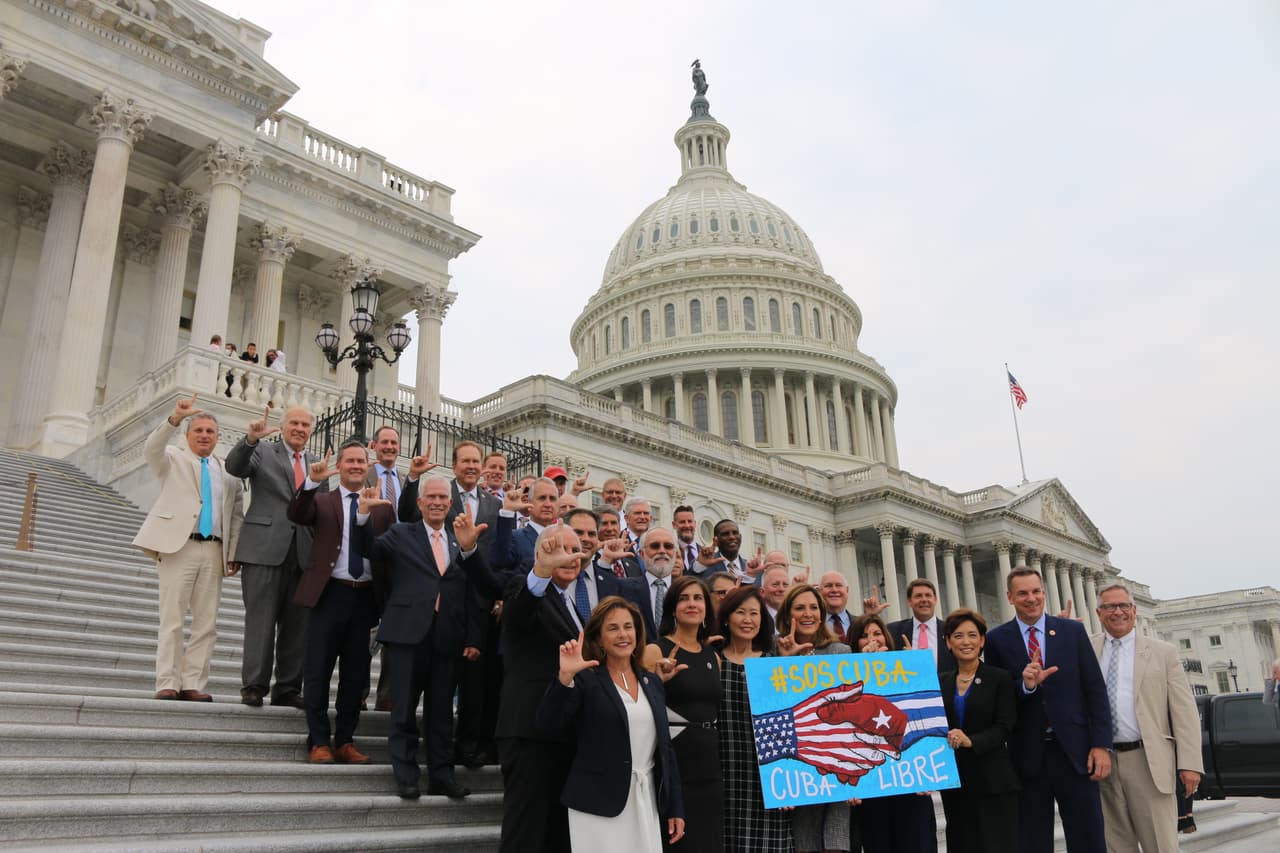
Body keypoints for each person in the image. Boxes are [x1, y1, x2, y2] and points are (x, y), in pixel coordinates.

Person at [354, 476, 497, 800]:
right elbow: (370, 549)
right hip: (408, 634)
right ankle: (406, 775)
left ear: (450, 504)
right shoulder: (402, 533)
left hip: (447, 636)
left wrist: (470, 549)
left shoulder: (458, 538)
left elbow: (476, 589)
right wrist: (362, 515)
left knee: (442, 713)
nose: (436, 502)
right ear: (420, 503)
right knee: (403, 708)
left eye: (442, 498)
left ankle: (441, 776)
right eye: (430, 497)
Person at [539, 597, 686, 851]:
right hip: (597, 804)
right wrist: (565, 678)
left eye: (628, 627)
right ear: (599, 638)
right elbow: (548, 724)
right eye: (613, 628)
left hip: (645, 799)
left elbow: (666, 750)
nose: (623, 635)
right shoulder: (586, 680)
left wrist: (675, 807)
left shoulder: (652, 683)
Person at [983, 567, 1112, 853]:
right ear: (1010, 597)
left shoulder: (1072, 631)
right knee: (1032, 840)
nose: (1031, 598)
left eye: (1036, 591)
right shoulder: (996, 640)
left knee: (1088, 837)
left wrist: (1102, 745)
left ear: (1044, 592)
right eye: (1023, 593)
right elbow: (997, 700)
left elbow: (1095, 690)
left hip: (1076, 754)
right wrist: (1026, 686)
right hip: (1027, 757)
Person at [286, 441, 395, 765]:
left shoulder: (382, 506)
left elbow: (388, 555)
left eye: (361, 461)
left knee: (356, 675)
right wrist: (309, 483)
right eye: (350, 461)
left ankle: (345, 739)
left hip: (364, 598)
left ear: (369, 465)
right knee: (317, 670)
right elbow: (296, 513)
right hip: (328, 594)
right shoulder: (321, 501)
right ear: (341, 465)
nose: (356, 466)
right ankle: (318, 740)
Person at [132, 395, 244, 701]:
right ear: (188, 435)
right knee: (173, 619)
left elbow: (235, 515)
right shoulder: (172, 458)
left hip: (214, 550)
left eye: (210, 431)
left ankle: (193, 682)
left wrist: (233, 552)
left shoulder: (229, 472)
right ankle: (167, 681)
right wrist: (174, 419)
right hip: (178, 547)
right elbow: (150, 449)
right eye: (198, 431)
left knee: (207, 623)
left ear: (217, 437)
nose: (204, 435)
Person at [1092, 584, 1203, 853]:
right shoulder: (1087, 648)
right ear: (1099, 612)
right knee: (1116, 846)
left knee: (1161, 845)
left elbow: (1184, 712)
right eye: (1109, 607)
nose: (1117, 612)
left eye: (1123, 606)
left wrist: (1189, 763)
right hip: (1103, 763)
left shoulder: (1163, 652)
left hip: (1148, 760)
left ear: (1134, 610)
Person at [225, 405, 322, 708]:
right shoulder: (263, 452)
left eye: (305, 424)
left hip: (303, 554)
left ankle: (288, 688)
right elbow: (235, 467)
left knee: (297, 627)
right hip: (264, 548)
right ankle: (254, 685)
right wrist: (250, 439)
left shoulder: (317, 464)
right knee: (261, 622)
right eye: (294, 422)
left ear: (311, 430)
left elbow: (321, 512)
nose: (300, 428)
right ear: (283, 426)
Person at [847, 614, 937, 853]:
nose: (871, 640)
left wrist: (916, 666)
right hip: (872, 788)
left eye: (877, 633)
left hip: (910, 783)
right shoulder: (845, 680)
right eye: (864, 636)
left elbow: (923, 718)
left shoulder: (908, 671)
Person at [775, 584, 853, 853]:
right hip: (797, 769)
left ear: (822, 614)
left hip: (838, 766)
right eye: (799, 608)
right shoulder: (774, 654)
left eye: (813, 608)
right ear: (787, 616)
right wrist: (785, 661)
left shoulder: (841, 652)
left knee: (836, 842)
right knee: (804, 842)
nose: (808, 614)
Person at [716, 586, 792, 852]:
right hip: (723, 772)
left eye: (754, 613)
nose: (748, 620)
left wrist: (787, 782)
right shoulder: (713, 661)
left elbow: (787, 727)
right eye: (740, 612)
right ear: (726, 618)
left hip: (765, 777)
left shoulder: (772, 663)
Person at [937, 608, 1019, 853]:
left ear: (982, 640)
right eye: (958, 636)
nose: (966, 642)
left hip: (993, 781)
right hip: (956, 783)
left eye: (973, 635)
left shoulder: (999, 678)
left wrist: (971, 741)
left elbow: (1005, 726)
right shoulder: (941, 681)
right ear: (948, 642)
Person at [651, 575, 723, 851]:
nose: (691, 604)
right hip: (675, 768)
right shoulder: (655, 650)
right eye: (683, 598)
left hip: (710, 768)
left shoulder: (712, 656)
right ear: (672, 607)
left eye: (698, 598)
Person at [887, 578, 956, 673]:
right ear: (909, 601)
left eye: (928, 595)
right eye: (918, 596)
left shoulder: (951, 631)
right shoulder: (893, 631)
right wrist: (871, 615)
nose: (924, 600)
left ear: (935, 600)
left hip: (944, 687)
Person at [819, 571, 854, 644]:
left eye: (838, 585)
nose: (834, 590)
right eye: (828, 586)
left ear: (847, 590)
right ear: (819, 591)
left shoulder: (859, 623)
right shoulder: (812, 625)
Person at [671, 505, 701, 574]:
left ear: (695, 524)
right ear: (674, 525)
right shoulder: (669, 552)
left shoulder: (705, 554)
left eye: (690, 521)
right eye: (682, 522)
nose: (687, 526)